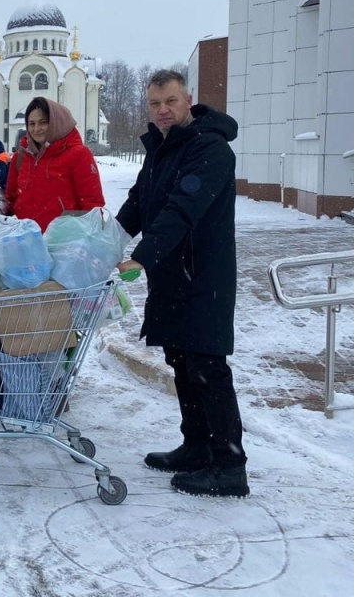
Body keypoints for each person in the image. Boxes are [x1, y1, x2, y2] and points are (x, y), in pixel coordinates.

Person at [115, 69, 249, 498]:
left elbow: (181, 208)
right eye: (155, 103)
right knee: (182, 363)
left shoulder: (209, 147)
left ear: (187, 99)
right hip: (172, 276)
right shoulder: (162, 148)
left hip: (203, 276)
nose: (162, 110)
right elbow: (139, 202)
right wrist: (102, 240)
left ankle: (229, 465)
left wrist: (141, 255)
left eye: (170, 101)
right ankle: (196, 446)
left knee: (208, 368)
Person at [5, 96, 105, 232]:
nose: (36, 129)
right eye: (31, 123)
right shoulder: (21, 157)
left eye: (43, 122)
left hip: (65, 243)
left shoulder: (78, 154)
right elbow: (10, 200)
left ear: (55, 122)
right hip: (27, 241)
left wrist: (85, 240)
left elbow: (92, 204)